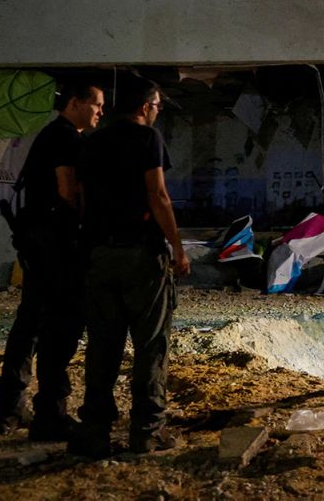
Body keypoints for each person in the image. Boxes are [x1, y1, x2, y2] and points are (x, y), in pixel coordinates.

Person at [68, 78, 190, 458]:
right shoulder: (147, 139)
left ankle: (95, 434)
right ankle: (146, 433)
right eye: (156, 106)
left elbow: (80, 198)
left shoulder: (90, 142)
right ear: (144, 107)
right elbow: (158, 194)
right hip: (140, 254)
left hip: (99, 255)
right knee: (151, 345)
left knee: (103, 347)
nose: (157, 112)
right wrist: (177, 246)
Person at [0, 82, 104, 439]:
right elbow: (68, 190)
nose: (101, 111)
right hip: (55, 246)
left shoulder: (52, 134)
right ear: (75, 103)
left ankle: (9, 410)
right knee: (60, 324)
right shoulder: (66, 137)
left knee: (29, 323)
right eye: (96, 104)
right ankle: (50, 412)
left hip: (38, 242)